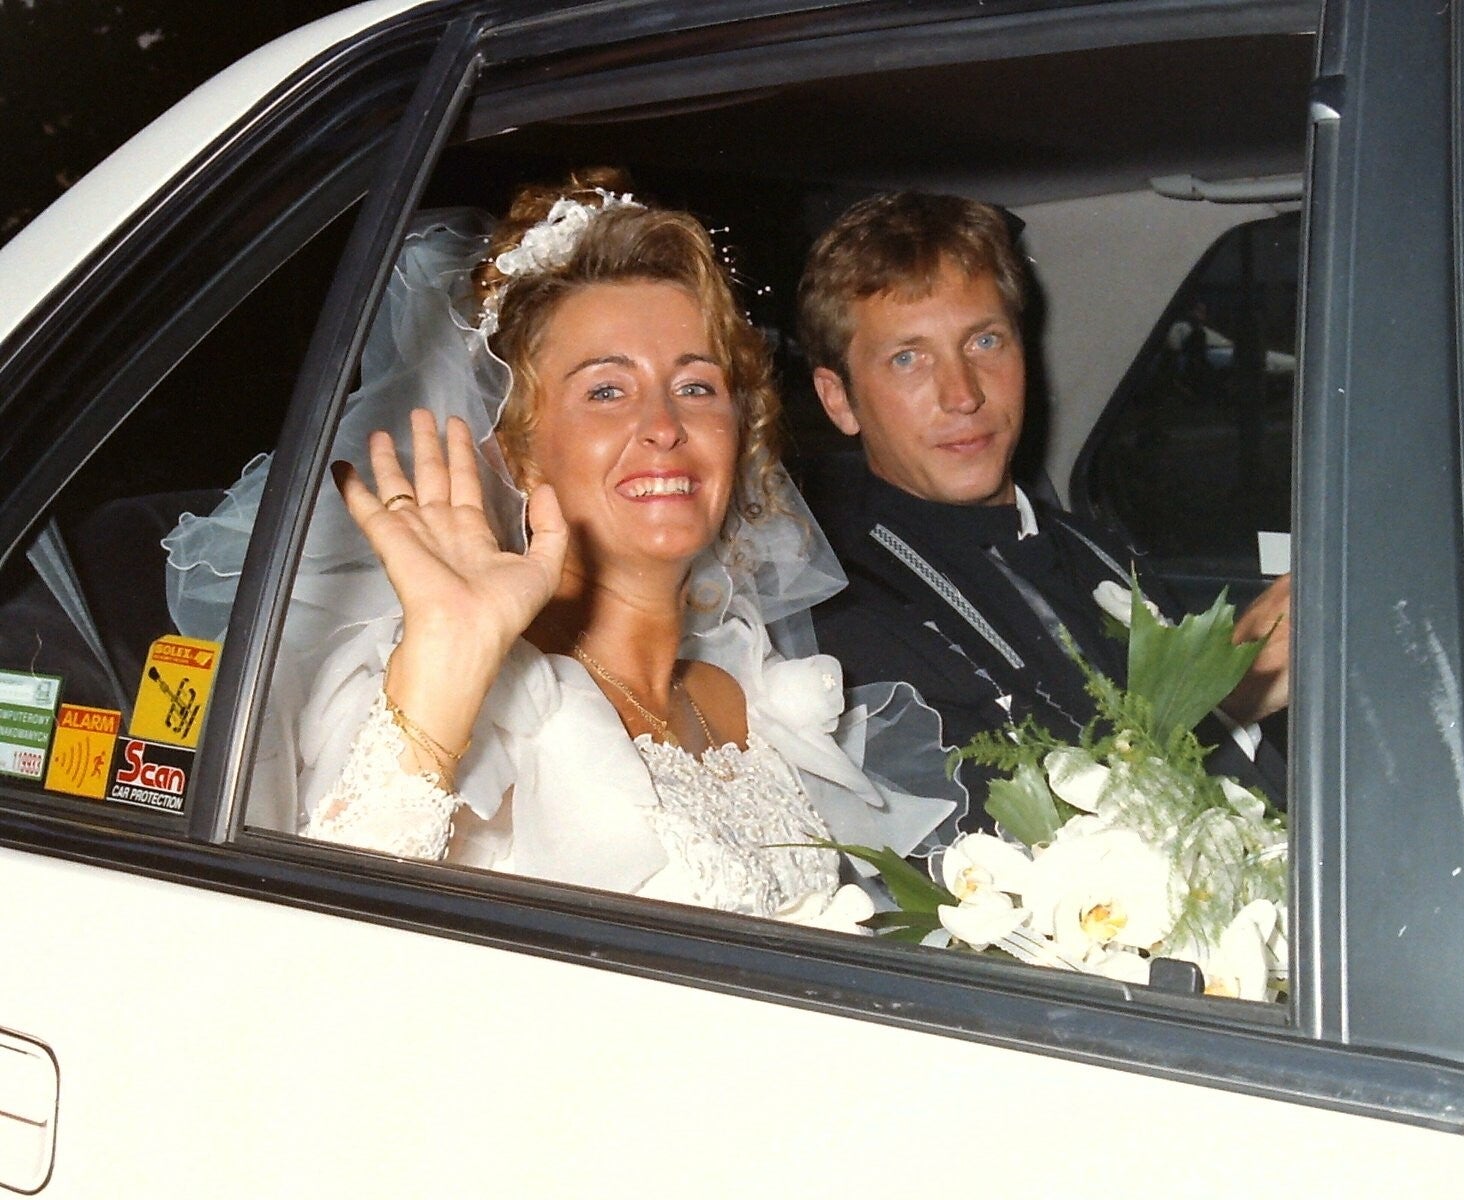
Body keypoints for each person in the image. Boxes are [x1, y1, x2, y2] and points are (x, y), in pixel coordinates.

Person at [163, 171, 954, 922]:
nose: (664, 426)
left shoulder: (744, 695)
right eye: (606, 390)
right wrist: (448, 657)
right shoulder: (468, 697)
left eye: (696, 386)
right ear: (520, 453)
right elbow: (325, 941)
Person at [794, 191, 1290, 831]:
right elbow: (1028, 850)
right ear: (839, 399)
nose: (963, 394)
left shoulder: (1096, 547)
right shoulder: (848, 618)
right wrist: (1228, 688)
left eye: (985, 341)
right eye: (908, 358)